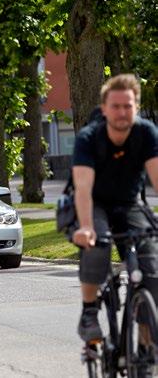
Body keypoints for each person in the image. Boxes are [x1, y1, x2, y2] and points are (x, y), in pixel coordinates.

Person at [72, 74, 158, 343]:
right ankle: (89, 312)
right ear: (105, 108)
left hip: (130, 204)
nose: (122, 112)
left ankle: (145, 351)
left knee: (152, 271)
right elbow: (83, 189)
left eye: (128, 106)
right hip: (95, 204)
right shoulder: (89, 137)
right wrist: (86, 227)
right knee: (97, 246)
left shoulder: (146, 133)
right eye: (116, 106)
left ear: (136, 107)